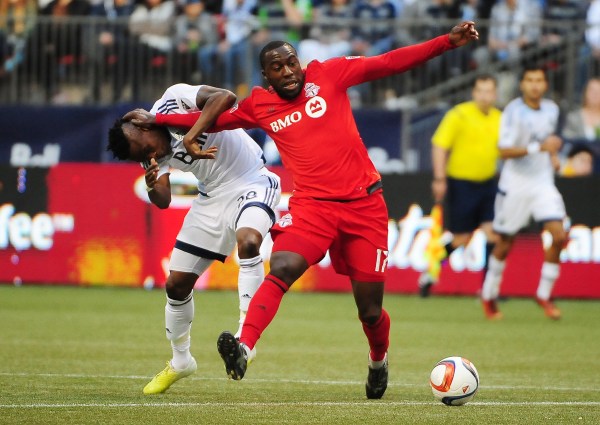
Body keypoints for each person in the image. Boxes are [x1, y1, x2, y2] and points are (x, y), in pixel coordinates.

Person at [132, 21, 479, 399]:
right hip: (313, 207)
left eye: (291, 63)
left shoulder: (329, 74)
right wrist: (159, 120)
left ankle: (378, 360)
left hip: (365, 206)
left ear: (300, 62)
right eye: (277, 68)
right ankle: (244, 347)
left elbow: (390, 62)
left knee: (370, 311)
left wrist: (446, 42)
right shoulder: (260, 105)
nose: (288, 71)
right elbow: (217, 118)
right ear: (266, 76)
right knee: (282, 266)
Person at [106, 83, 282, 394]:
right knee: (175, 284)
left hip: (252, 180)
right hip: (210, 199)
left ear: (141, 123)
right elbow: (162, 199)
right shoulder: (147, 152)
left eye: (146, 148)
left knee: (250, 242)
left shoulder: (175, 100)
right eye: (143, 157)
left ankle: (245, 342)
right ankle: (180, 361)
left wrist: (189, 135)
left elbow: (225, 98)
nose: (150, 155)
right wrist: (151, 183)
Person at [480, 66, 568, 321]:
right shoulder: (513, 111)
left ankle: (544, 294)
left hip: (542, 182)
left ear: (546, 85)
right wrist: (539, 147)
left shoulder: (552, 109)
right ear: (522, 85)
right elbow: (504, 151)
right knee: (505, 242)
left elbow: (548, 139)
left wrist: (552, 155)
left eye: (539, 80)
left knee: (559, 235)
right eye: (530, 80)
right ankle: (489, 296)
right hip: (516, 184)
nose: (535, 85)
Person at [419, 74, 502, 297]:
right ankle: (430, 272)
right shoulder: (459, 115)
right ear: (474, 93)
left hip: (488, 183)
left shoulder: (499, 118)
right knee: (461, 238)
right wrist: (439, 178)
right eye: (480, 91)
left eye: (489, 91)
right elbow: (439, 145)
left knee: (493, 234)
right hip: (461, 183)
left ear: (495, 94)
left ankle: (488, 289)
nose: (484, 96)